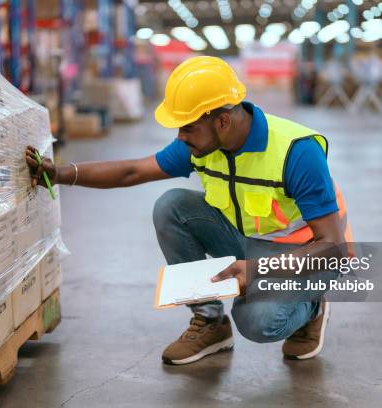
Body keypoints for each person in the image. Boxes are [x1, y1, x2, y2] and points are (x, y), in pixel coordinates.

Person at [26, 56, 352, 365]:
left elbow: (332, 248)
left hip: (307, 256)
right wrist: (61, 173)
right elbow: (133, 171)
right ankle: (210, 322)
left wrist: (256, 270)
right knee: (172, 206)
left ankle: (312, 306)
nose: (180, 137)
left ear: (222, 120)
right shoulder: (203, 144)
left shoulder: (296, 152)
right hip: (251, 243)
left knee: (258, 322)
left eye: (187, 127)